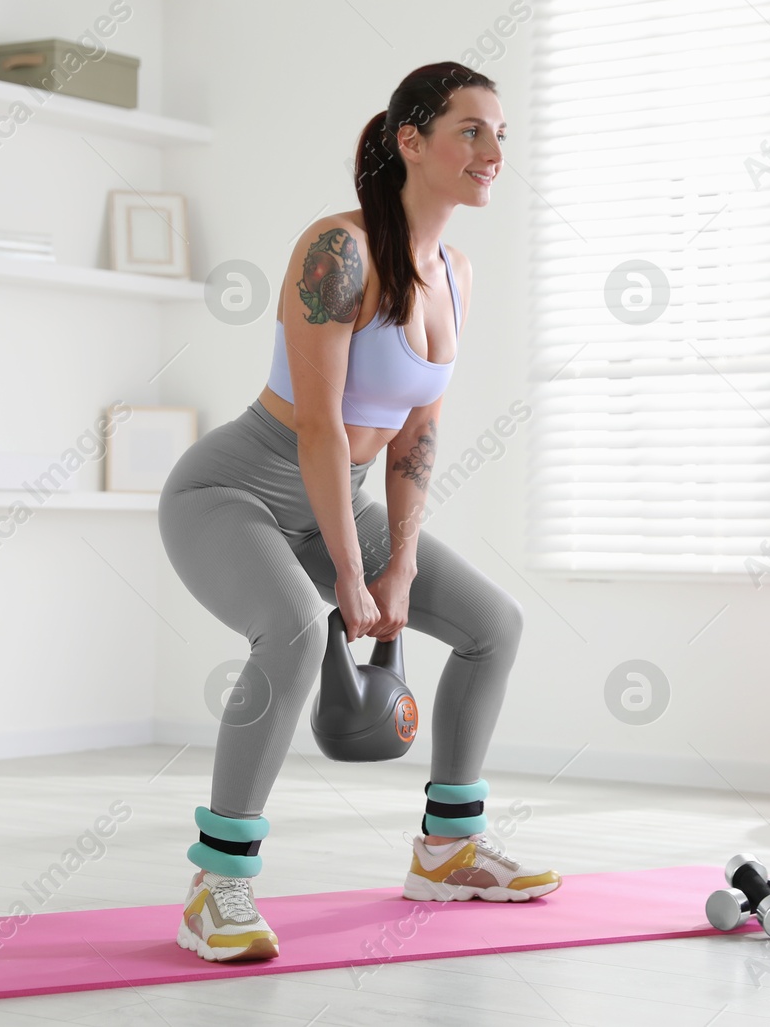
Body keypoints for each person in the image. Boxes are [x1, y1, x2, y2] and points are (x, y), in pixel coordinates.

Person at [157, 62, 559, 963]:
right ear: (410, 140)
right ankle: (216, 883)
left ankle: (448, 846)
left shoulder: (455, 271)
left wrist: (401, 560)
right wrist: (346, 571)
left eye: (501, 133)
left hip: (343, 499)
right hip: (235, 491)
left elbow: (417, 437)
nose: (495, 152)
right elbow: (318, 433)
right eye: (472, 130)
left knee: (494, 623)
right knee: (297, 630)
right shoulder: (337, 251)